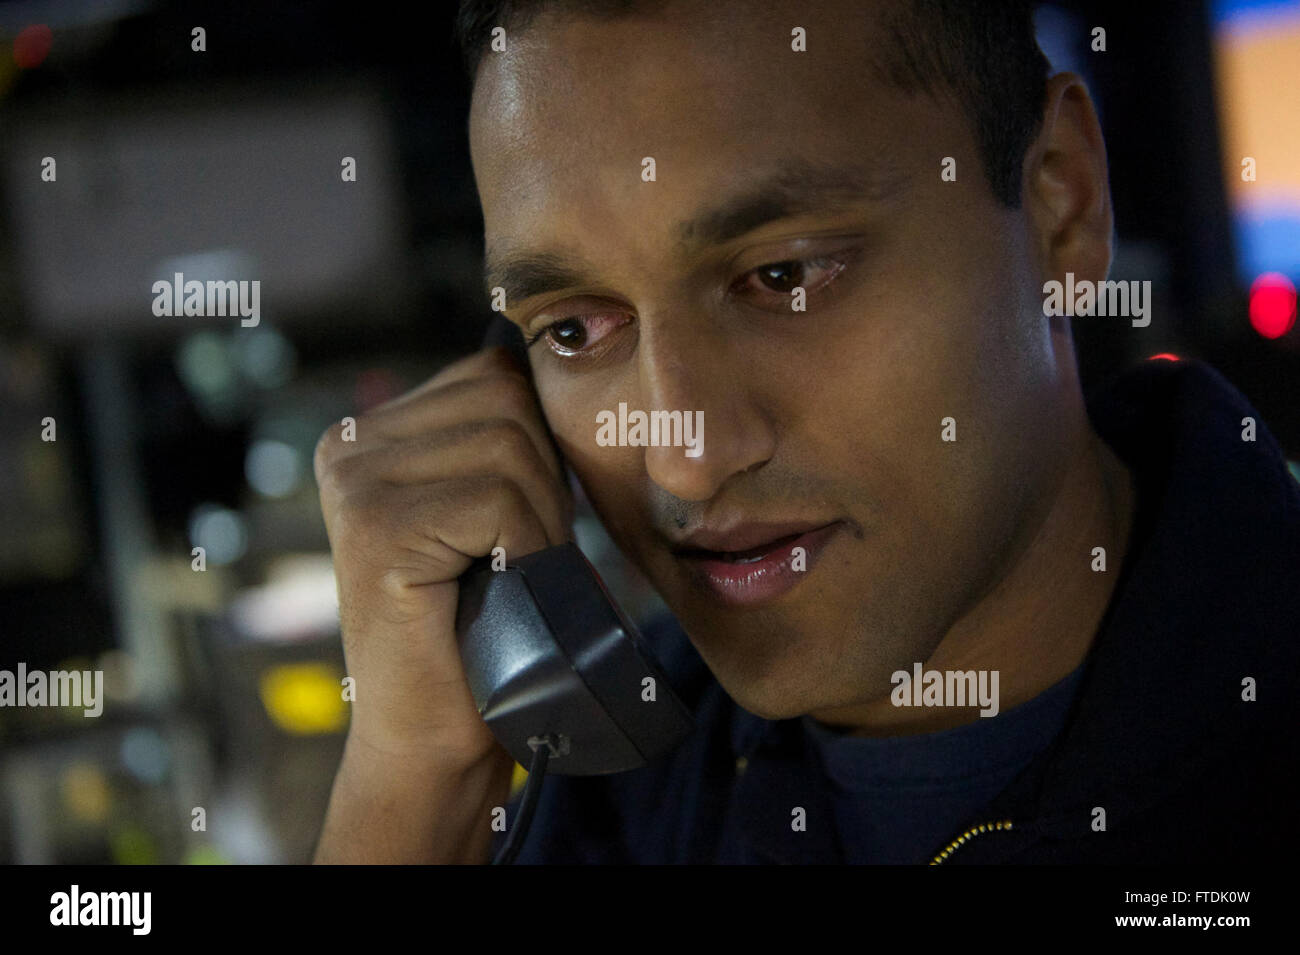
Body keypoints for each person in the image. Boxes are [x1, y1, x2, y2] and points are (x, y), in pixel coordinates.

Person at [312, 0, 1299, 864]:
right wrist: (412, 790)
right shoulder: (614, 800)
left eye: (783, 277)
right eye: (573, 330)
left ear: (1060, 205)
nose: (685, 460)